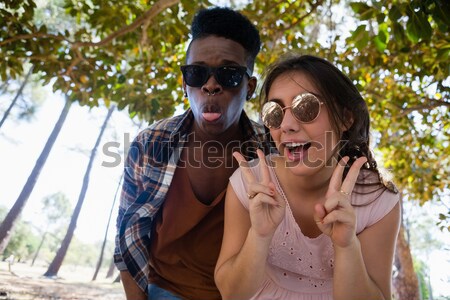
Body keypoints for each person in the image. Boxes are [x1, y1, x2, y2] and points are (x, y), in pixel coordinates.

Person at [114, 6, 272, 300]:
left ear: (249, 87)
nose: (211, 85)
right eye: (197, 73)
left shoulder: (272, 149)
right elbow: (128, 235)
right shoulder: (150, 143)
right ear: (184, 83)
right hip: (165, 290)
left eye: (229, 75)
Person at [214, 54, 401, 300]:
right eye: (274, 112)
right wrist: (259, 236)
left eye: (306, 107)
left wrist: (346, 247)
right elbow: (232, 293)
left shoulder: (378, 199)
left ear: (345, 118)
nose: (287, 125)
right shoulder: (250, 183)